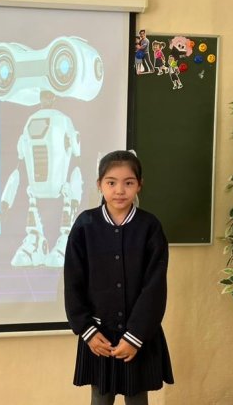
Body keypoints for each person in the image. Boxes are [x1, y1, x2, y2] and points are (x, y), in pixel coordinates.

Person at [64, 150, 173, 405]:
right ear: (99, 184)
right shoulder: (85, 225)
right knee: (100, 398)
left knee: (137, 398)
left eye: (128, 183)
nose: (119, 190)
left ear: (139, 185)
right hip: (98, 335)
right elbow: (73, 282)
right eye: (111, 182)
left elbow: (155, 287)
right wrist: (87, 330)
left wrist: (135, 336)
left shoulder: (150, 227)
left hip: (139, 335)